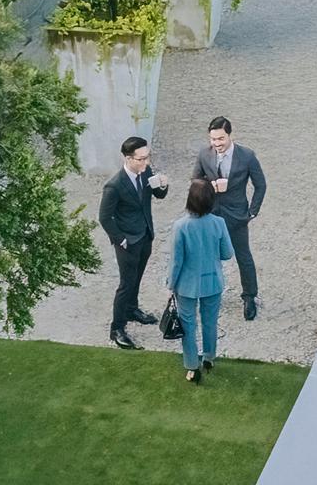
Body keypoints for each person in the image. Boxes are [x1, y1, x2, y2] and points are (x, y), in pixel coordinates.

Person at [98, 136, 169, 350]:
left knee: (137, 278)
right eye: (141, 159)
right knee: (126, 284)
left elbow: (157, 194)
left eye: (147, 157)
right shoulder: (115, 185)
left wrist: (163, 186)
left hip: (145, 234)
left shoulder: (145, 171)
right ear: (128, 159)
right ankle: (117, 328)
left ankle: (132, 308)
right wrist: (121, 240)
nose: (146, 163)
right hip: (128, 241)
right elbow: (104, 217)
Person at [193, 116, 267, 321]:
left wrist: (252, 212)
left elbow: (260, 185)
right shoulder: (204, 154)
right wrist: (210, 186)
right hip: (211, 214)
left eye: (221, 139)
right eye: (213, 139)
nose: (217, 143)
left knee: (244, 257)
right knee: (208, 256)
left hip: (237, 215)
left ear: (230, 136)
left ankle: (250, 297)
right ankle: (208, 294)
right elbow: (195, 180)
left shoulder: (247, 156)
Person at [168, 178, 234, 384]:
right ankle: (209, 357)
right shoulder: (219, 223)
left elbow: (176, 262)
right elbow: (227, 254)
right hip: (213, 282)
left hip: (187, 285)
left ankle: (191, 366)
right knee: (210, 322)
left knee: (188, 325)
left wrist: (171, 283)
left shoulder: (181, 226)